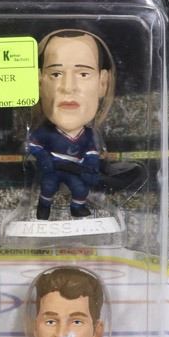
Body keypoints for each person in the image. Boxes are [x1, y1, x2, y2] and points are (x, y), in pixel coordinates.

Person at [28, 29, 114, 219]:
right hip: (53, 170)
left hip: (74, 171)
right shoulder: (47, 132)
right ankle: (43, 208)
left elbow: (91, 152)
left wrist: (91, 166)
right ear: (39, 81)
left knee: (80, 188)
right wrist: (44, 159)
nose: (68, 87)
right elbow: (34, 145)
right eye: (56, 74)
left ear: (103, 83)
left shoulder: (88, 135)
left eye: (83, 74)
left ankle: (77, 208)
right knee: (48, 186)